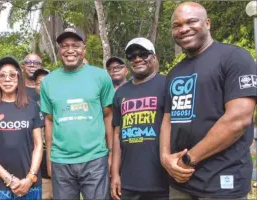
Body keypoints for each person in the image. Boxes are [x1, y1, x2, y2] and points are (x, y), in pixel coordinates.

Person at [160, 2, 257, 199]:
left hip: (222, 182)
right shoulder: (174, 73)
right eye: (176, 25)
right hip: (180, 183)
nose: (184, 28)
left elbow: (238, 120)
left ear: (207, 23)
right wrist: (165, 158)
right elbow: (168, 119)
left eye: (191, 21)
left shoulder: (235, 58)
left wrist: (188, 160)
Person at [40, 27, 114, 200]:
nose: (70, 50)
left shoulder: (100, 76)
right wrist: (50, 158)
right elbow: (49, 121)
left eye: (75, 45)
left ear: (84, 49)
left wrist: (110, 154)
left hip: (95, 159)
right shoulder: (48, 82)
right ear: (59, 51)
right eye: (65, 46)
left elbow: (108, 115)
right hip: (61, 161)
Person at [110, 39, 168, 200]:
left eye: (143, 54)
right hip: (129, 181)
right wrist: (115, 174)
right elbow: (117, 135)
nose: (137, 59)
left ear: (154, 57)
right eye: (132, 56)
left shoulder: (167, 84)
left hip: (162, 181)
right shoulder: (121, 93)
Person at [0, 57, 44, 199]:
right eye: (2, 75)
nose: (7, 79)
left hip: (30, 184)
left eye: (12, 74)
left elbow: (38, 145)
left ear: (18, 77)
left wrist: (30, 177)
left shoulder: (31, 106)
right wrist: (8, 178)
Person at [32, 68, 52, 199]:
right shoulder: (30, 108)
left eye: (46, 82)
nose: (42, 86)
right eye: (39, 83)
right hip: (39, 169)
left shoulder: (60, 104)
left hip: (61, 167)